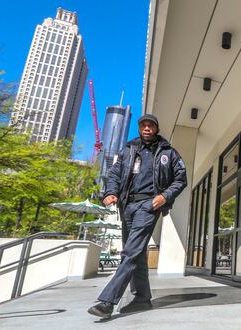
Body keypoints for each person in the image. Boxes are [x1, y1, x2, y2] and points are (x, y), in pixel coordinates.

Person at [87, 114, 187, 319]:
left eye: (151, 125)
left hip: (149, 205)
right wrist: (110, 192)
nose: (147, 128)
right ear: (140, 128)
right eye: (144, 125)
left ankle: (108, 301)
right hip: (128, 206)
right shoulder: (129, 149)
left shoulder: (168, 151)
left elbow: (180, 178)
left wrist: (164, 196)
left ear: (157, 129)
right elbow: (115, 173)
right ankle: (142, 297)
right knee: (137, 253)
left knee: (130, 252)